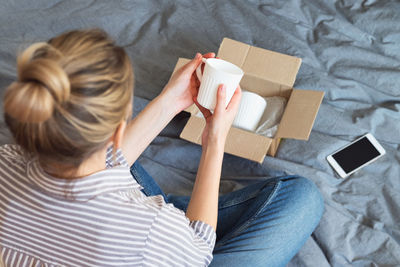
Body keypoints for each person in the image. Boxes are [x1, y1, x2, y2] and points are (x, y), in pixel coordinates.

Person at [0, 28, 324, 267]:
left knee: (125, 175)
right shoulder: (148, 231)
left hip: (115, 233)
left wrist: (172, 99)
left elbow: (98, 159)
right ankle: (175, 224)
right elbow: (200, 250)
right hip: (157, 243)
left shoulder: (5, 162)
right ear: (117, 131)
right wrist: (215, 141)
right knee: (303, 197)